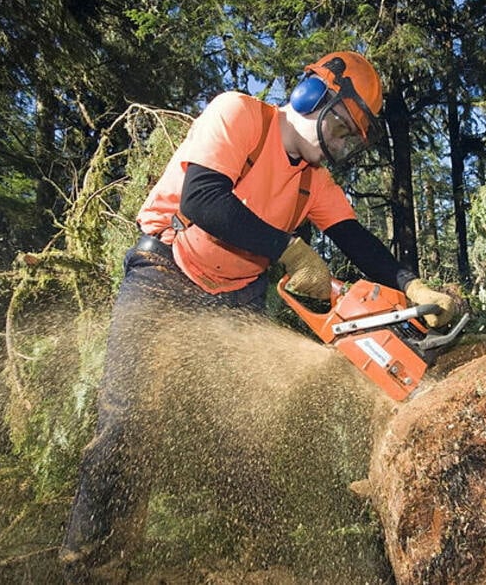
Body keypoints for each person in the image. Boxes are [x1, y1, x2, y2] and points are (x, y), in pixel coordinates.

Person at [58, 50, 455, 582]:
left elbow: (355, 239)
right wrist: (288, 251)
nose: (340, 145)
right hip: (166, 269)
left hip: (236, 293)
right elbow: (202, 200)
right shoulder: (240, 114)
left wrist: (411, 285)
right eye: (340, 127)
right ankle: (89, 565)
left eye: (351, 139)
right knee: (127, 423)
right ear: (312, 97)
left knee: (246, 431)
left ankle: (255, 564)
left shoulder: (315, 181)